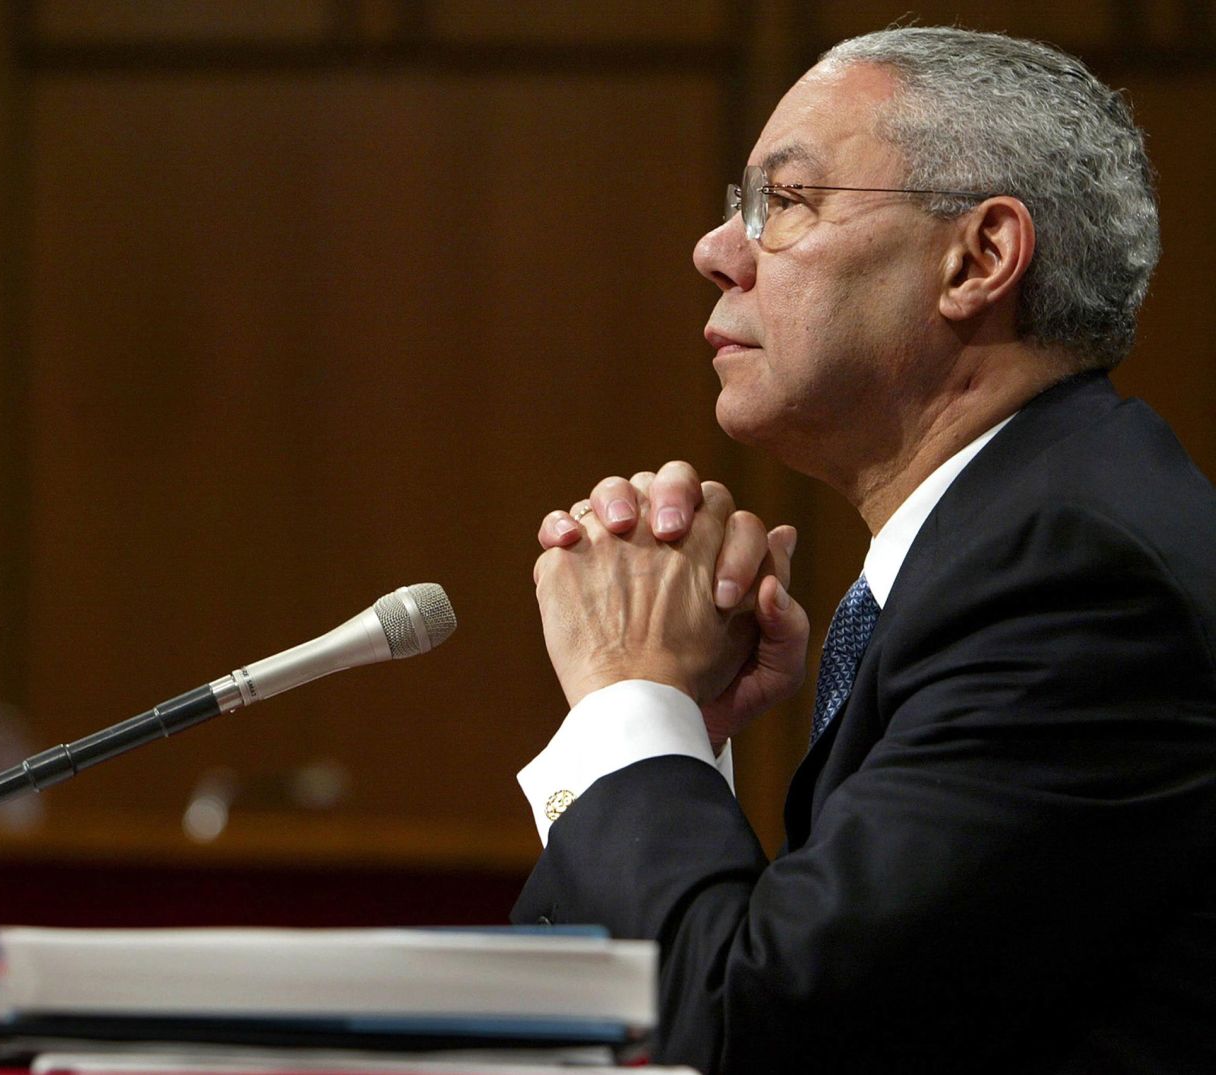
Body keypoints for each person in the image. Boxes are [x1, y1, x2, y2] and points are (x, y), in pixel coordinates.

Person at [511, 26, 1216, 1075]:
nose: (715, 249)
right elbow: (589, 1012)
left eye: (784, 202)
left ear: (975, 259)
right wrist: (678, 727)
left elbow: (755, 1037)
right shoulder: (1009, 540)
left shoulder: (1074, 584)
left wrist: (626, 697)